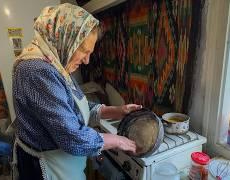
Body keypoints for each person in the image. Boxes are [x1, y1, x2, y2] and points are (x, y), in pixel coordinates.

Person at [11, 3, 141, 180]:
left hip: (63, 163)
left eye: (90, 53)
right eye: (83, 51)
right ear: (65, 38)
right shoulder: (36, 70)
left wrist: (116, 111)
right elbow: (72, 138)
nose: (87, 61)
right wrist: (119, 140)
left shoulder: (56, 62)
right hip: (46, 168)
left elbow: (74, 104)